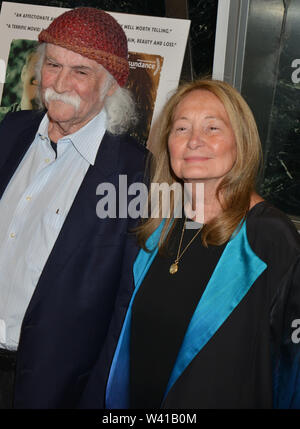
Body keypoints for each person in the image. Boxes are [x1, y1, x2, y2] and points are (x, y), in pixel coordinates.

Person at [102, 78, 300, 409]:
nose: (194, 141)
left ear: (241, 142)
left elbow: (293, 371)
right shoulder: (158, 227)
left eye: (212, 128)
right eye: (181, 129)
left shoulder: (270, 239)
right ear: (168, 144)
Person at [0, 7, 147, 408]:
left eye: (81, 72)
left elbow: (125, 305)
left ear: (112, 85)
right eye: (53, 64)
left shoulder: (133, 175)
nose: (60, 83)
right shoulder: (8, 133)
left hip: (52, 388)